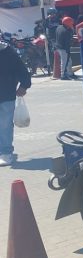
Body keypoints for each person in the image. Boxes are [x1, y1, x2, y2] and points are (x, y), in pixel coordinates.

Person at [0, 35, 32, 167]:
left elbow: (21, 70)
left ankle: (6, 152)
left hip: (6, 94)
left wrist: (24, 85)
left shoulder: (8, 52)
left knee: (5, 124)